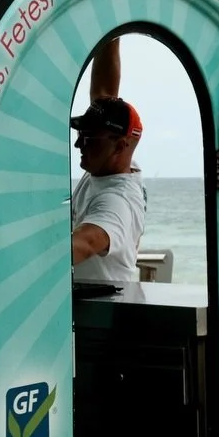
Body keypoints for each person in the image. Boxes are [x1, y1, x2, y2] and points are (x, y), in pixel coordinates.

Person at [69, 37, 147, 284]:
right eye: (81, 134)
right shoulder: (112, 165)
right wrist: (111, 31)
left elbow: (87, 242)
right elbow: (103, 93)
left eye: (89, 138)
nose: (78, 144)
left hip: (104, 316)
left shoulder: (116, 201)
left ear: (120, 146)